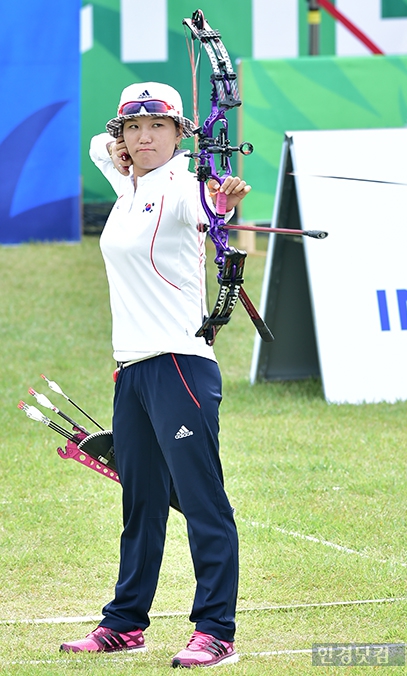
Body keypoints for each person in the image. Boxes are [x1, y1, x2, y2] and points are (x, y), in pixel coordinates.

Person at [59, 82, 250, 668]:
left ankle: (215, 630)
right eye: (134, 129)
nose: (145, 137)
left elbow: (213, 206)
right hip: (134, 371)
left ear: (180, 134)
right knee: (141, 503)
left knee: (201, 501)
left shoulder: (187, 187)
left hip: (179, 365)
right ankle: (125, 624)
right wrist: (119, 152)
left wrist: (223, 203)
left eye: (159, 127)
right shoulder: (130, 186)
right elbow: (98, 146)